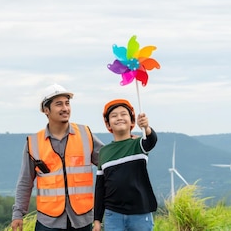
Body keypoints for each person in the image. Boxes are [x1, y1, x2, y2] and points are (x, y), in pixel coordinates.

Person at [11, 84, 104, 231]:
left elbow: (109, 162)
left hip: (82, 220)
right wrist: (18, 214)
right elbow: (25, 182)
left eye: (67, 103)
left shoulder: (85, 134)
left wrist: (127, 143)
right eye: (59, 104)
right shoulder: (34, 143)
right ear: (46, 110)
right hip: (48, 221)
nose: (65, 108)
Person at [92, 99, 157, 231]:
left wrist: (146, 128)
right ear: (108, 123)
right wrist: (97, 219)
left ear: (132, 121)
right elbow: (100, 188)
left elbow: (151, 140)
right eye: (114, 116)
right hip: (113, 215)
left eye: (123, 114)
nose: (119, 118)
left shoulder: (139, 144)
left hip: (140, 213)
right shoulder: (104, 152)